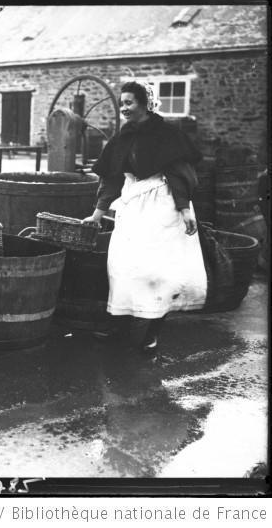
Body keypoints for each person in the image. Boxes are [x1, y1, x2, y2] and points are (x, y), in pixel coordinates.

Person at [82, 81, 207, 359]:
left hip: (163, 205)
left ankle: (152, 329)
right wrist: (97, 214)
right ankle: (120, 322)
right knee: (124, 265)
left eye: (129, 102)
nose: (123, 108)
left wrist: (185, 209)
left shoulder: (167, 135)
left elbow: (179, 174)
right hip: (132, 206)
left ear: (146, 104)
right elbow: (112, 178)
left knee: (157, 270)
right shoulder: (123, 136)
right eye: (121, 103)